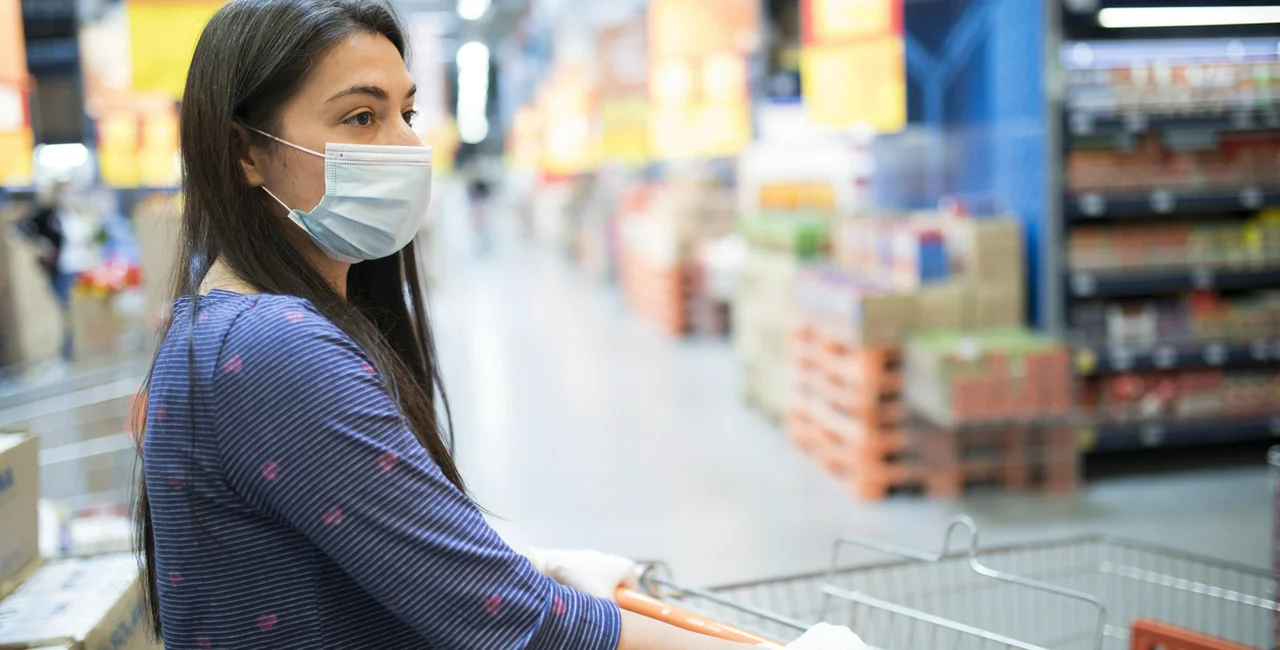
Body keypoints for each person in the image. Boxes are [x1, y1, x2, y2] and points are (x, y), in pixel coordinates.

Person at [133, 1, 865, 648]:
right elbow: (517, 626)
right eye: (360, 117)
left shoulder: (221, 328)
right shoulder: (271, 350)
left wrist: (526, 568)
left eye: (406, 114)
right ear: (245, 152)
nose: (404, 146)